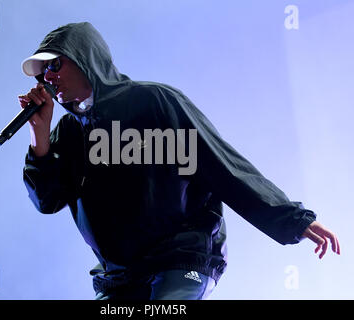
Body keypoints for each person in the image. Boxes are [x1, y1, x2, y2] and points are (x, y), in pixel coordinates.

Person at [18, 22, 340, 300]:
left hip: (181, 257)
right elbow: (48, 200)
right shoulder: (70, 132)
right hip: (119, 278)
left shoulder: (153, 102)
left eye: (55, 65)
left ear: (85, 58)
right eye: (43, 72)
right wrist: (39, 132)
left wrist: (293, 219)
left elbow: (220, 163)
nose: (48, 77)